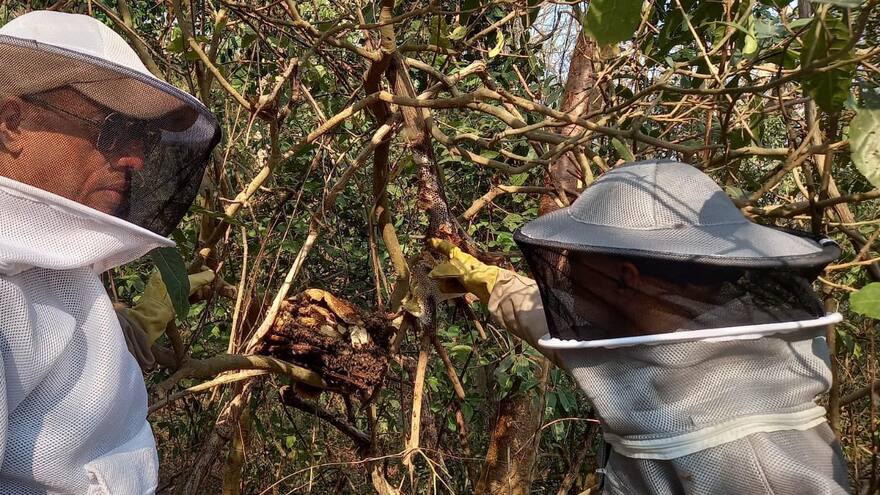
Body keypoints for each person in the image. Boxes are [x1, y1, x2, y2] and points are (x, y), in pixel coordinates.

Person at [431, 160, 851, 494]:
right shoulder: (656, 337)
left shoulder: (760, 470)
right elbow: (560, 330)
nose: (567, 271)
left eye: (579, 257)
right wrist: (483, 278)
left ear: (626, 277)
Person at [0, 11, 220, 493]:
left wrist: (120, 323)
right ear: (11, 123)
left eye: (141, 137)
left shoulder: (45, 256)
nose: (135, 159)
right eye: (113, 130)